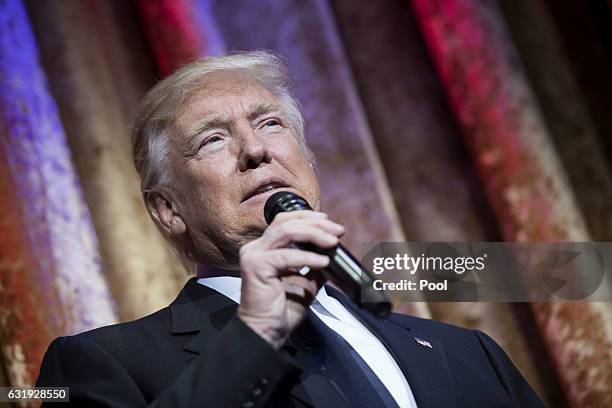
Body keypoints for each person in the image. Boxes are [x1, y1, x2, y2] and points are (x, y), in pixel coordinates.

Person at [36, 51, 543, 407]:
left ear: (307, 163)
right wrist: (255, 333)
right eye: (213, 140)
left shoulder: (470, 354)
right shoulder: (101, 364)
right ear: (168, 209)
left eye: (271, 124)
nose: (256, 150)